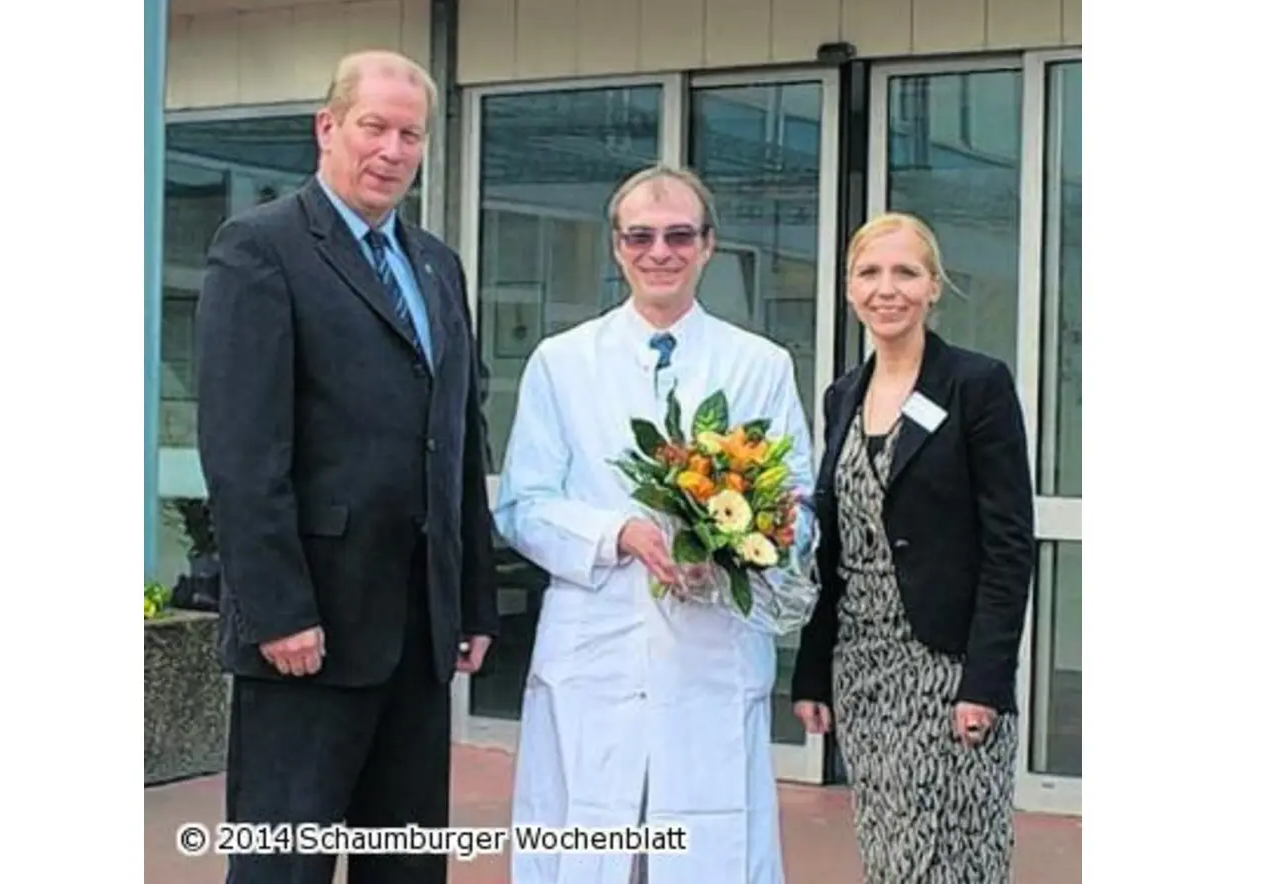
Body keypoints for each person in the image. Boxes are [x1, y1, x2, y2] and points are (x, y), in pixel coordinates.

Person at [194, 49, 499, 884]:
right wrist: (277, 610)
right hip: (309, 635)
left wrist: (472, 596)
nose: (393, 149)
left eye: (411, 134)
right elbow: (242, 450)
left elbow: (459, 442)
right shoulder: (259, 249)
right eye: (375, 127)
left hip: (418, 631)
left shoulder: (438, 267)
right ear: (328, 127)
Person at [492, 165, 818, 884]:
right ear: (616, 248)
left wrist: (737, 547)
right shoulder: (563, 361)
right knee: (587, 833)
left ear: (708, 246)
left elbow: (797, 502)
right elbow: (524, 504)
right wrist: (618, 535)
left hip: (710, 650)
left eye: (678, 236)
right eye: (640, 236)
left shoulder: (759, 364)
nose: (658, 252)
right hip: (595, 651)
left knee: (708, 847)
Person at [789, 212, 1035, 883]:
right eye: (870, 273)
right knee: (890, 850)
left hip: (949, 670)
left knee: (957, 855)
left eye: (906, 272)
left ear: (933, 287)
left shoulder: (976, 385)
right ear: (848, 289)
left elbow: (1009, 544)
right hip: (864, 669)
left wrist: (986, 681)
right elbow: (833, 549)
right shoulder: (843, 395)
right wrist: (812, 671)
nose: (886, 288)